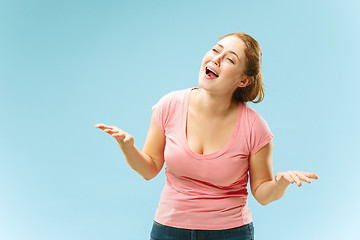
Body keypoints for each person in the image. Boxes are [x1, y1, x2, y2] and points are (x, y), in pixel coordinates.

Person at [95, 32, 318, 240]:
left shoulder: (255, 127)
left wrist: (280, 183)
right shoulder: (170, 105)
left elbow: (262, 194)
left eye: (230, 59)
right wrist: (128, 148)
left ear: (243, 80)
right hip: (169, 229)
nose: (216, 59)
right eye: (215, 50)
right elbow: (149, 168)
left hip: (231, 232)